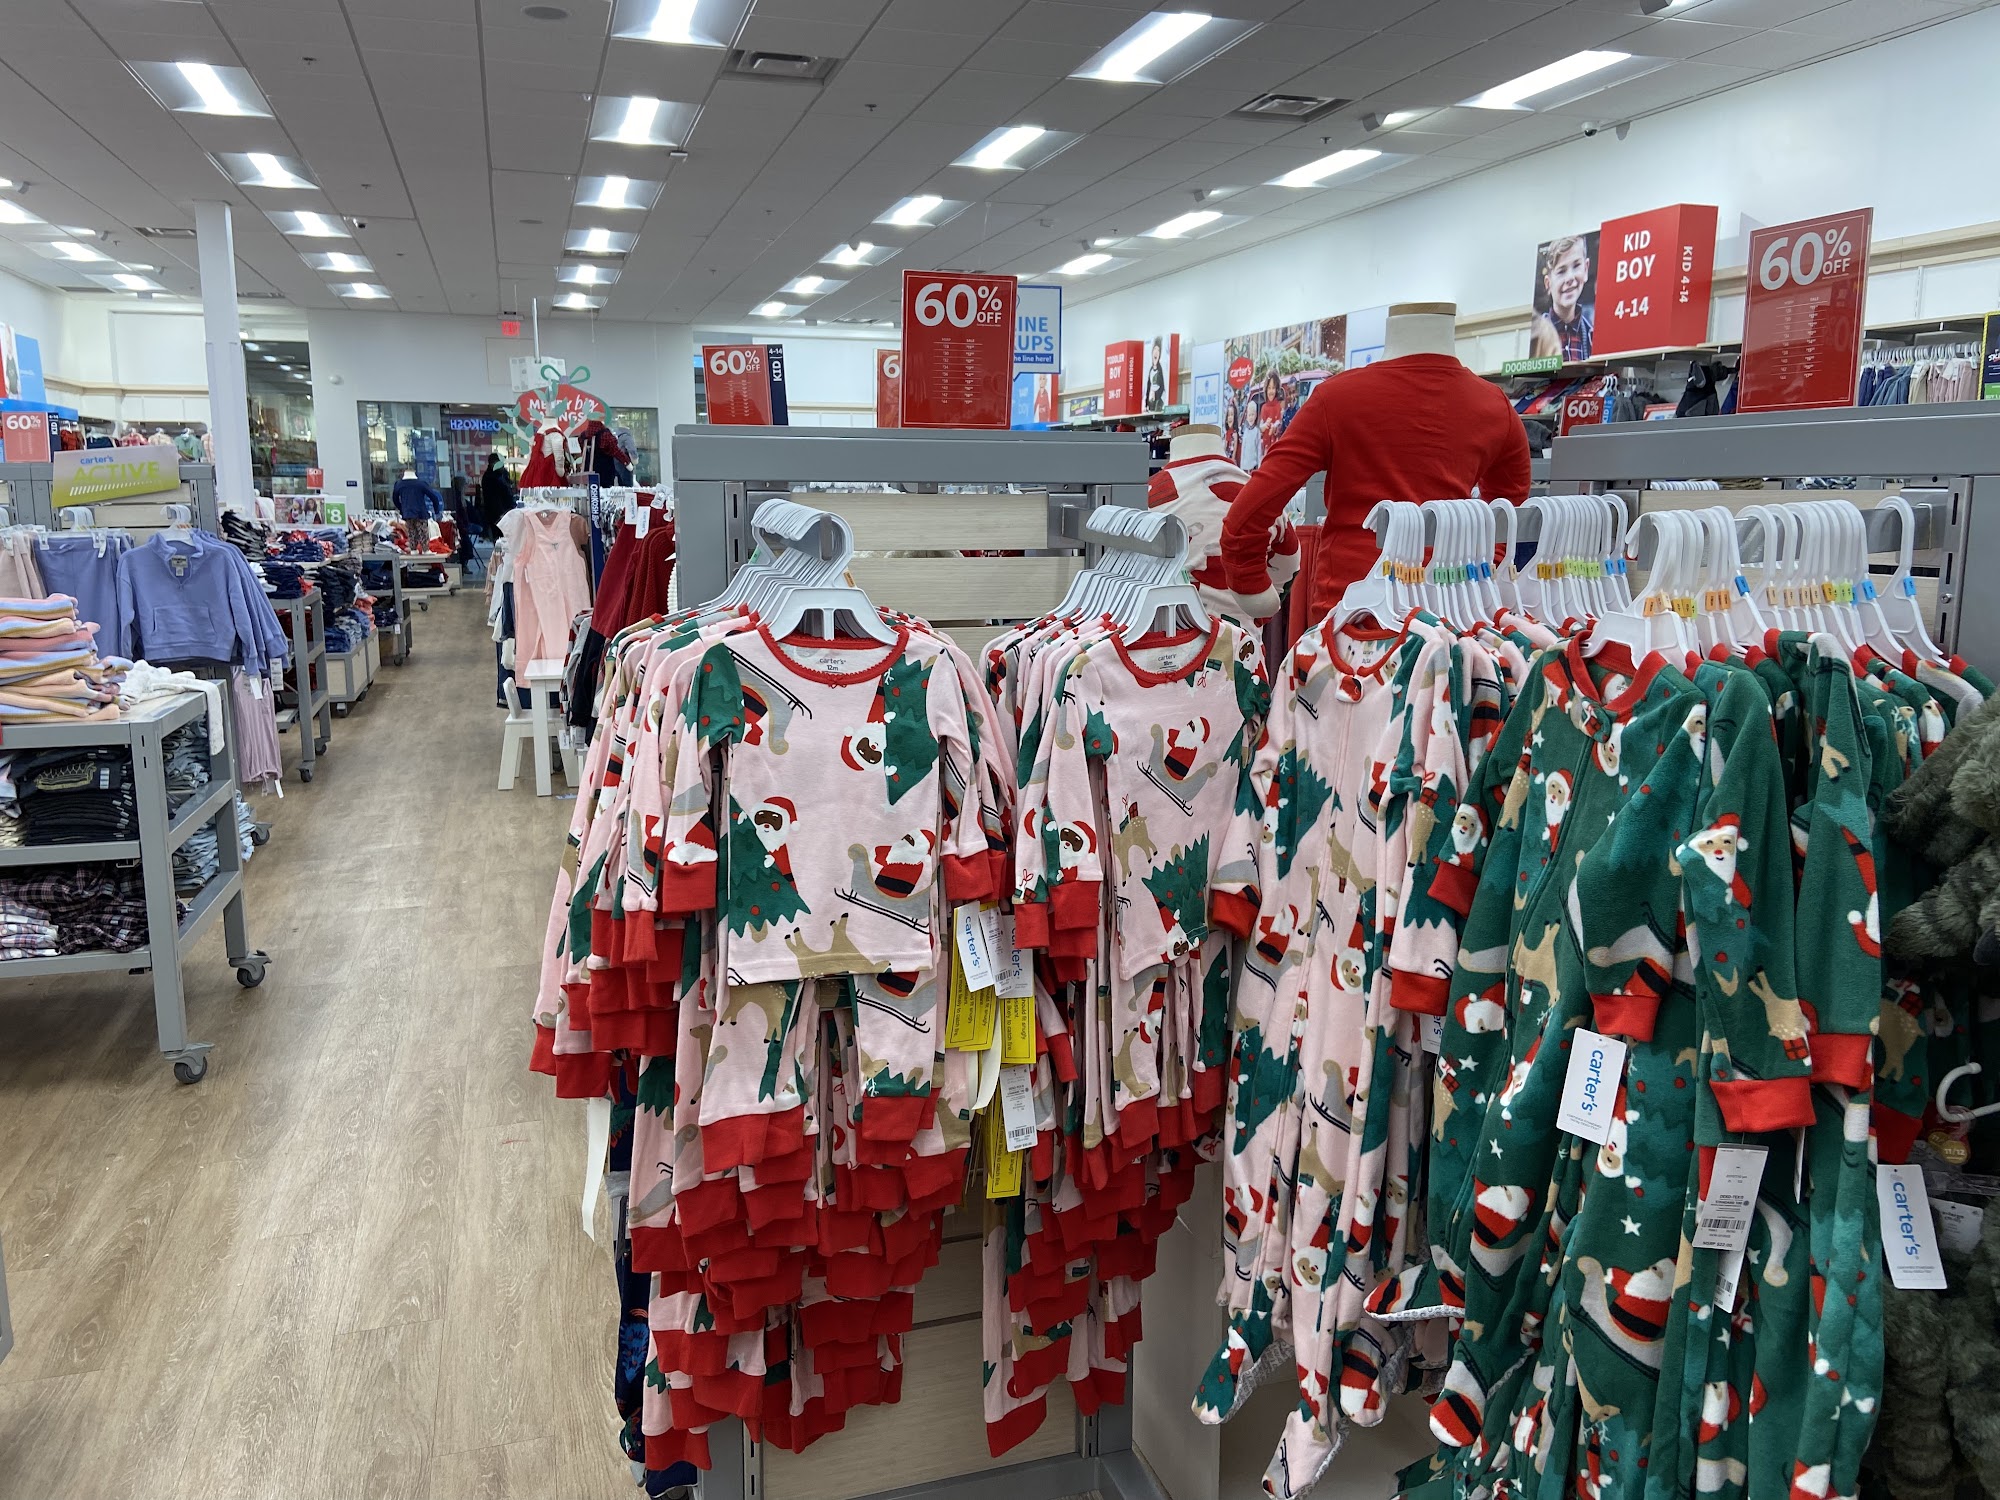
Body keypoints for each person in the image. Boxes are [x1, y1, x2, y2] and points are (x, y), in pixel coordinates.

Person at [1530, 234, 1595, 362]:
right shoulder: (1537, 336)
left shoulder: (1592, 337)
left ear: (1586, 269)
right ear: (1548, 284)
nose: (1570, 278)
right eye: (1561, 271)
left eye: (1576, 265)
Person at [392, 467, 443, 551]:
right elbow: (433, 497)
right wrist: (436, 509)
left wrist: (402, 509)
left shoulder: (399, 484)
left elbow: (395, 499)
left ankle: (413, 549)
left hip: (407, 513)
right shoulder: (421, 484)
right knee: (423, 533)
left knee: (411, 532)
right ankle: (425, 549)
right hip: (421, 513)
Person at [480, 451, 516, 532]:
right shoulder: (490, 478)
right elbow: (493, 500)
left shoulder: (501, 474)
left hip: (507, 511)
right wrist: (501, 514)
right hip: (499, 514)